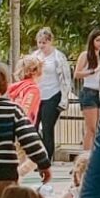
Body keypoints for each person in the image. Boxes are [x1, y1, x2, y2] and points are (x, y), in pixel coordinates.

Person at [0, 63, 50, 198]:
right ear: (5, 84)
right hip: (5, 173)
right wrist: (43, 164)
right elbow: (30, 139)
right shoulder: (13, 110)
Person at [34, 28, 72, 162]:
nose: (41, 46)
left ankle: (46, 158)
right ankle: (36, 155)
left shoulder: (58, 57)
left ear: (50, 42)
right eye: (39, 42)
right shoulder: (35, 56)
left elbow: (66, 79)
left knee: (47, 127)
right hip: (37, 95)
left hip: (53, 94)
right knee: (32, 126)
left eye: (44, 42)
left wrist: (64, 98)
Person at [74, 28, 100, 151]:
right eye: (97, 40)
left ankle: (95, 154)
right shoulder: (85, 55)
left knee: (99, 128)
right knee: (91, 128)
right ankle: (86, 157)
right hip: (88, 92)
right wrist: (93, 71)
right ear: (92, 41)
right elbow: (77, 74)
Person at [10, 55, 43, 124]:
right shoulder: (33, 89)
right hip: (22, 128)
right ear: (35, 71)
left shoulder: (15, 87)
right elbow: (25, 114)